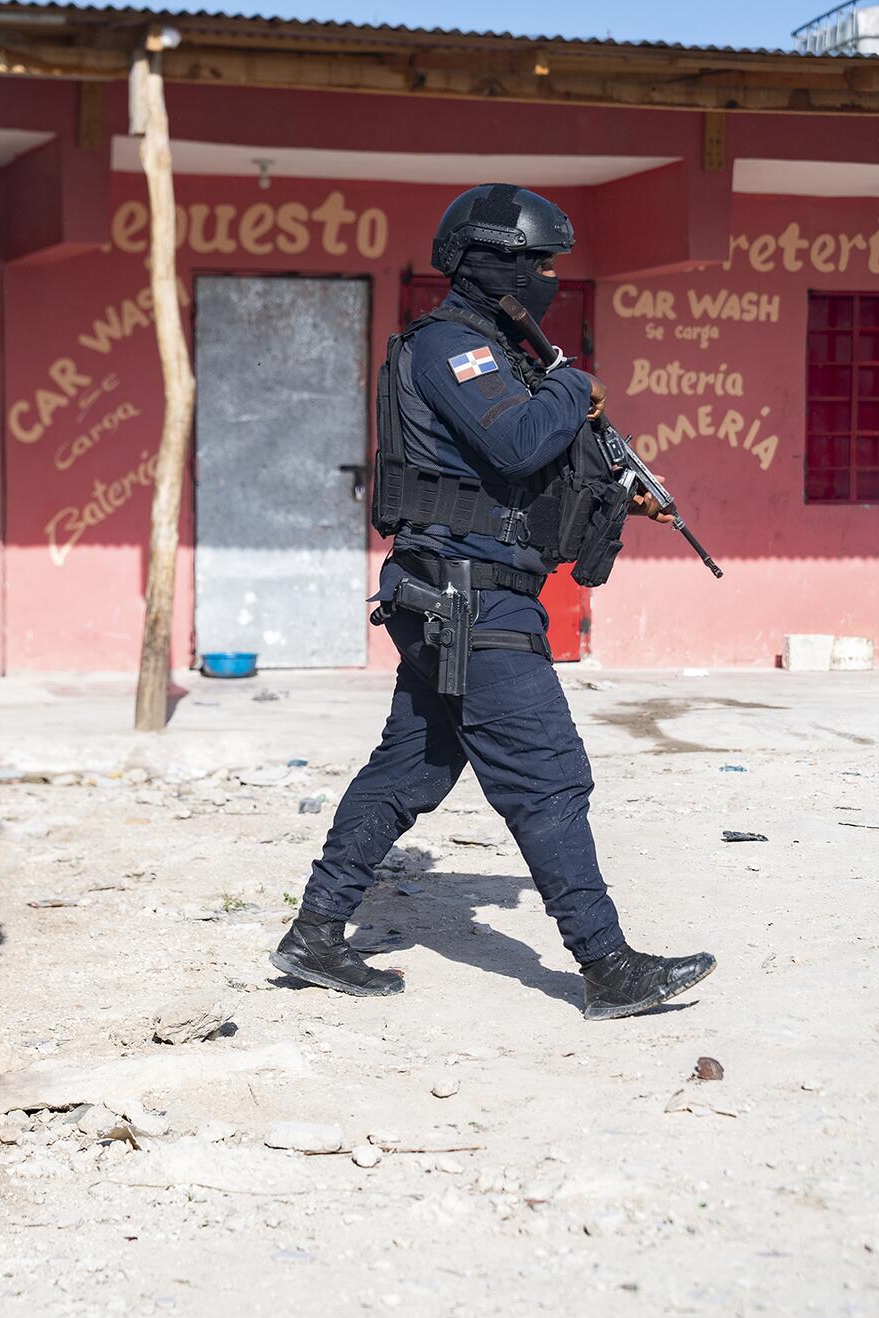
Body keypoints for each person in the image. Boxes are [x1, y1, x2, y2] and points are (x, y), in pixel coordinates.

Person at [269, 183, 716, 1022]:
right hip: (468, 601)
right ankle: (606, 965)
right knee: (549, 778)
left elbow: (523, 476)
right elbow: (516, 441)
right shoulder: (453, 349)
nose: (548, 277)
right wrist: (571, 387)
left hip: (462, 594)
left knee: (412, 768)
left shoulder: (500, 354)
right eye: (538, 263)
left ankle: (316, 932)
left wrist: (619, 494)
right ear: (491, 264)